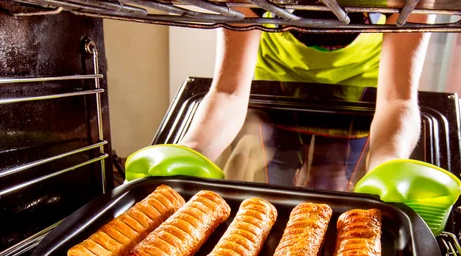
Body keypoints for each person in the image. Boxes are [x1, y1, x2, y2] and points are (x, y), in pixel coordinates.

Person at [178, 9, 431, 190]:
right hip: (275, 84)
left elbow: (398, 99)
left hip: (363, 89)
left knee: (332, 182)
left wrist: (387, 166)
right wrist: (191, 150)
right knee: (268, 178)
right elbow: (228, 92)